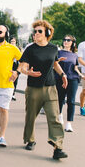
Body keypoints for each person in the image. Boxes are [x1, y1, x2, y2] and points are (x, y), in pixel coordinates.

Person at [18, 20, 68, 160]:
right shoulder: (30, 49)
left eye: (39, 31)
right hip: (34, 89)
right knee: (30, 117)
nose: (36, 34)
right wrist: (28, 72)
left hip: (51, 88)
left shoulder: (53, 49)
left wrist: (63, 74)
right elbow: (22, 67)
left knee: (55, 117)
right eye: (35, 31)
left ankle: (58, 147)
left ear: (47, 33)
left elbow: (55, 64)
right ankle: (30, 139)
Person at [56, 35, 85, 132]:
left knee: (71, 101)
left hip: (73, 79)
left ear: (72, 43)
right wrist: (58, 60)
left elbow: (75, 68)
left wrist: (82, 76)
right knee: (60, 99)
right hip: (60, 79)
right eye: (64, 40)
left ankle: (69, 124)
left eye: (68, 40)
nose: (66, 41)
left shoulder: (75, 55)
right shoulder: (58, 52)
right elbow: (54, 64)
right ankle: (59, 115)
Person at [10, 37, 20, 101]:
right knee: (10, 80)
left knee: (15, 81)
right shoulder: (8, 48)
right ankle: (9, 93)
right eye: (11, 41)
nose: (13, 43)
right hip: (10, 65)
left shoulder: (18, 49)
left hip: (16, 65)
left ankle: (13, 94)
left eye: (14, 41)